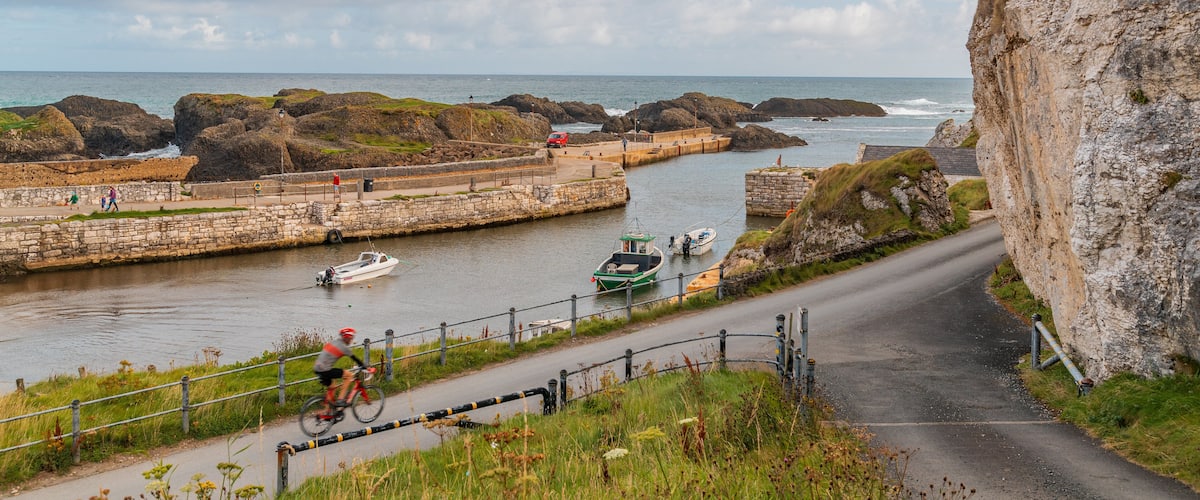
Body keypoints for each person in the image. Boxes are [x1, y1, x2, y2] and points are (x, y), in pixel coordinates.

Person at [313, 327, 369, 412]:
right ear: (347, 337)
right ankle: (340, 400)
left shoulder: (333, 342)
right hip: (325, 370)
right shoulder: (344, 347)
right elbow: (356, 359)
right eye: (351, 338)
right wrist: (365, 367)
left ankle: (327, 411)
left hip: (317, 369)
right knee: (349, 375)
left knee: (332, 386)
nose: (352, 340)